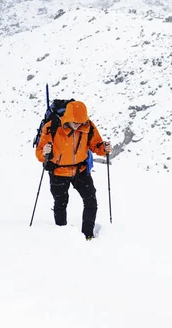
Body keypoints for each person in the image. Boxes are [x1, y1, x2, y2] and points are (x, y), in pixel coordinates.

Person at [35, 100, 112, 240]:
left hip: (80, 170)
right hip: (58, 172)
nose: (78, 124)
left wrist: (104, 149)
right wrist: (44, 152)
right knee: (61, 204)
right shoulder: (51, 127)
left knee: (91, 201)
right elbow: (39, 152)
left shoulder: (88, 126)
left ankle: (88, 235)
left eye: (80, 121)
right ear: (67, 117)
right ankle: (62, 235)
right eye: (74, 121)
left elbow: (96, 145)